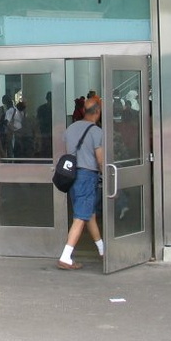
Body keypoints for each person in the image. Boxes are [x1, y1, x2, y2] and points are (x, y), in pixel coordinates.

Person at [57, 95, 104, 270]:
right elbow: (100, 159)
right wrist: (106, 173)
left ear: (84, 111)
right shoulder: (97, 132)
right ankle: (66, 256)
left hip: (73, 175)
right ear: (97, 112)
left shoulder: (71, 128)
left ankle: (102, 249)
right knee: (80, 217)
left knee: (88, 214)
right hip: (87, 176)